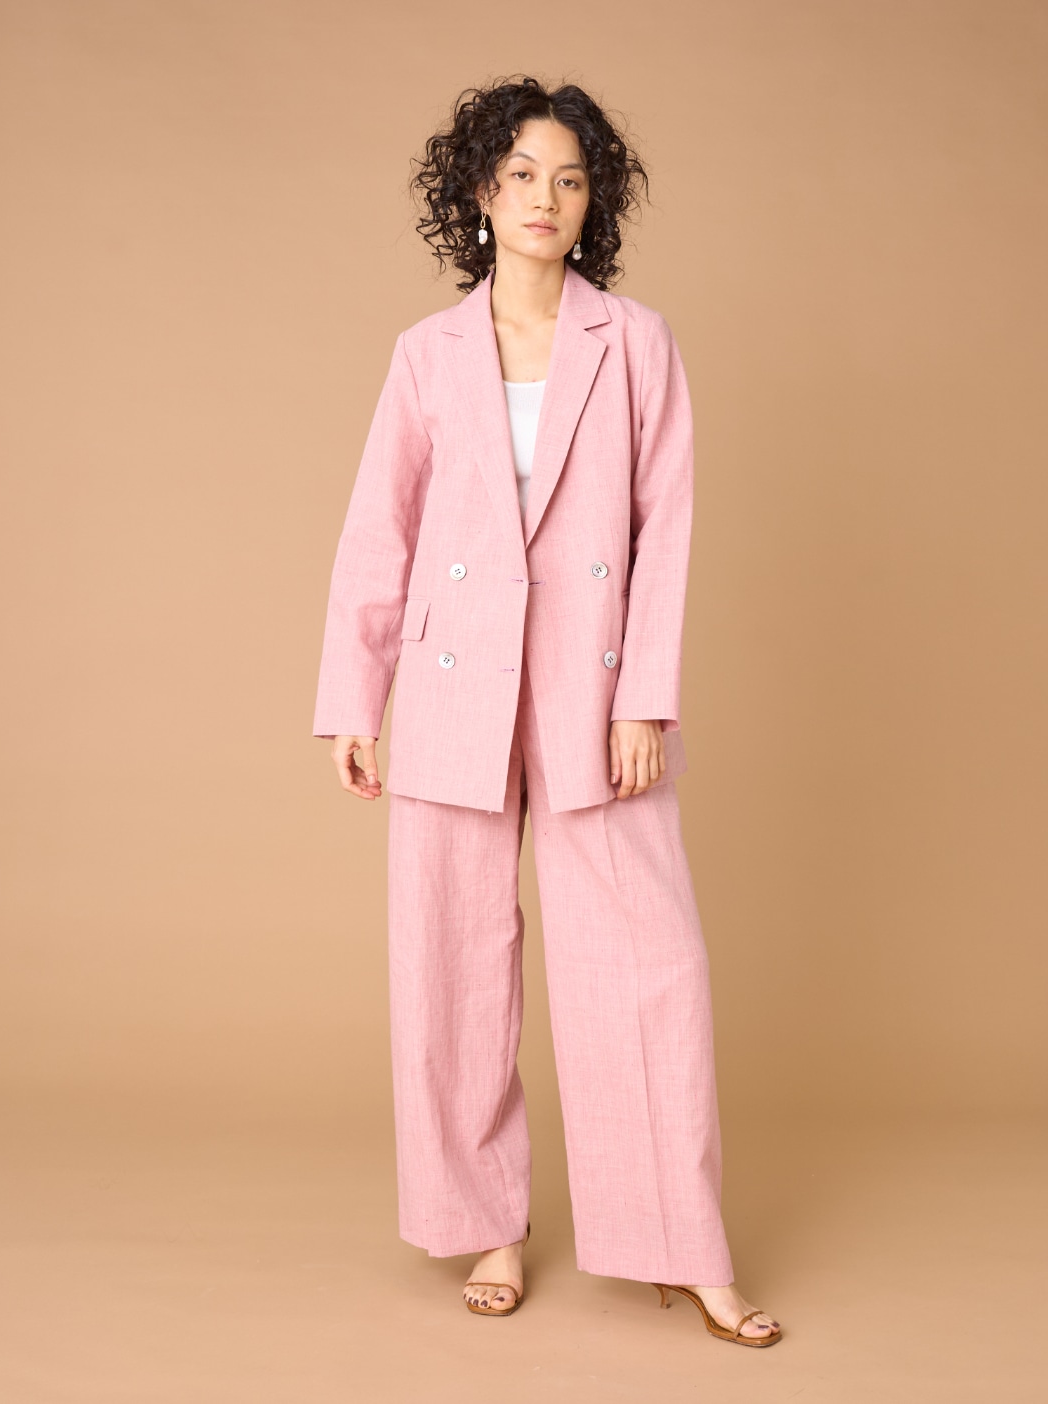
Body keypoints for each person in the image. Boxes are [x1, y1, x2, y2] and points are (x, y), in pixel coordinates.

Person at [312, 75, 782, 1347]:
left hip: (593, 685)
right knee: (453, 966)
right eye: (521, 173)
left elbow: (666, 531)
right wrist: (354, 696)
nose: (544, 196)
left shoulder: (636, 343)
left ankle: (683, 1245)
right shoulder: (427, 355)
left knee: (645, 967)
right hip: (451, 682)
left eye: (569, 179)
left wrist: (647, 700)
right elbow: (379, 534)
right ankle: (490, 1225)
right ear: (479, 192)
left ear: (594, 204)